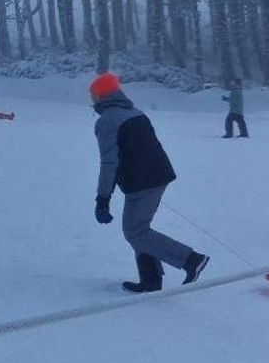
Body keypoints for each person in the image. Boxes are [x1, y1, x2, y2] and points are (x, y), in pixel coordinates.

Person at [89, 73, 208, 293]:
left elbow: (109, 161)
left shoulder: (107, 121)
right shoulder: (136, 112)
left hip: (142, 182)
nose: (92, 99)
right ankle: (150, 280)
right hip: (156, 176)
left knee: (136, 231)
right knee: (139, 230)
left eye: (93, 95)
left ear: (100, 96)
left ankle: (191, 260)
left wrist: (102, 199)